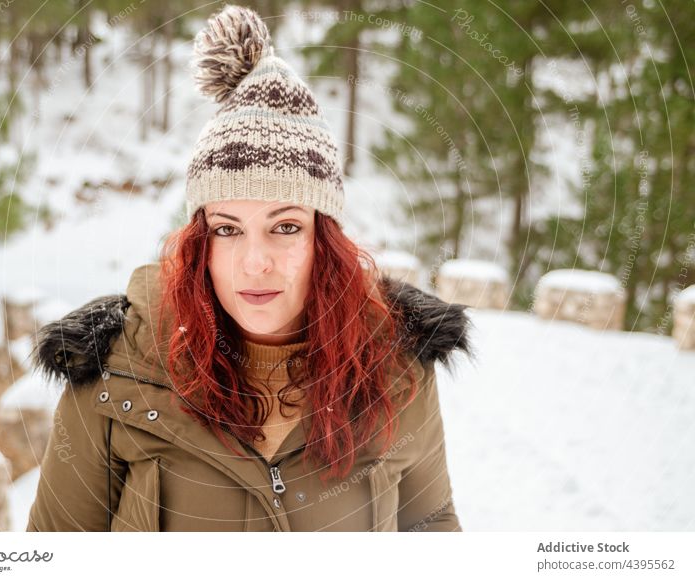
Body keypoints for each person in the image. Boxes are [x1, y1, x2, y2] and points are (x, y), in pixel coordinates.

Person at [26, 4, 474, 532]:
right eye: (227, 229)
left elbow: (430, 523)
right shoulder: (112, 372)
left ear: (323, 242)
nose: (254, 263)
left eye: (285, 227)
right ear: (201, 243)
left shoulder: (399, 370)